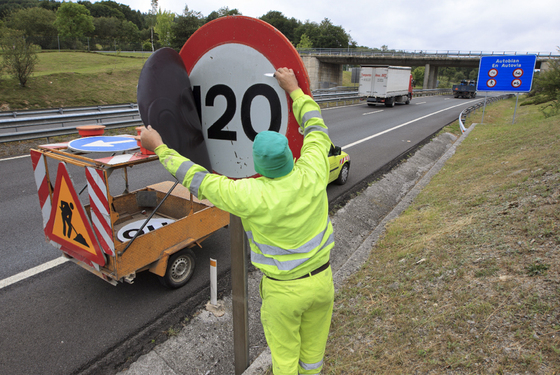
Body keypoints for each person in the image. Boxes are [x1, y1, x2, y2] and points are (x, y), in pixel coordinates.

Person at [138, 67, 335, 375]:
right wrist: (294, 90)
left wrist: (160, 148)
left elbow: (196, 179)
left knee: (284, 361)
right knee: (312, 357)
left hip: (283, 293)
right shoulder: (313, 170)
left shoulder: (249, 193)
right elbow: (316, 129)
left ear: (257, 164)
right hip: (322, 282)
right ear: (289, 155)